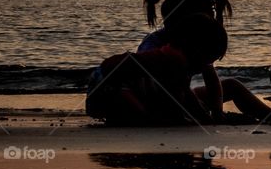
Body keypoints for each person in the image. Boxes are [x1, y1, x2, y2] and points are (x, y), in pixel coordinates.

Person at [139, 0, 271, 123]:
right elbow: (169, 89)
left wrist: (218, 113)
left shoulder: (196, 44)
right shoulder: (156, 46)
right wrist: (205, 118)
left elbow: (211, 79)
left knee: (232, 86)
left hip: (181, 97)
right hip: (151, 101)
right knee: (180, 95)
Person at [87, 13, 228, 126]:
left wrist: (203, 118)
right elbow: (180, 98)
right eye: (209, 60)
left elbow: (184, 95)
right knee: (149, 115)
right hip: (106, 85)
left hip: (107, 81)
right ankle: (130, 116)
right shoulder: (174, 60)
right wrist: (199, 119)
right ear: (197, 50)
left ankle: (128, 116)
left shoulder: (172, 55)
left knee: (156, 102)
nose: (206, 66)